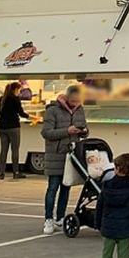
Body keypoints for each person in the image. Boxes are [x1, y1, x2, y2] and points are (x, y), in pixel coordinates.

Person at [40, 85, 88, 235]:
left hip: (72, 154)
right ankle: (48, 218)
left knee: (66, 187)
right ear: (67, 97)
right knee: (53, 187)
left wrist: (84, 131)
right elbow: (46, 133)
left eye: (78, 101)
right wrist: (66, 131)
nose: (76, 103)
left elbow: (84, 129)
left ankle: (60, 217)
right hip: (55, 154)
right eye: (73, 101)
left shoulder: (80, 110)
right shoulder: (52, 111)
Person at [0, 82, 28, 180]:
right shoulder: (15, 99)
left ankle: (2, 173)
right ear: (15, 90)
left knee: (3, 150)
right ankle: (16, 172)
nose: (19, 92)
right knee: (15, 150)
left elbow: (0, 112)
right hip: (13, 127)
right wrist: (32, 116)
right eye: (19, 90)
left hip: (2, 128)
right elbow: (21, 113)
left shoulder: (2, 99)